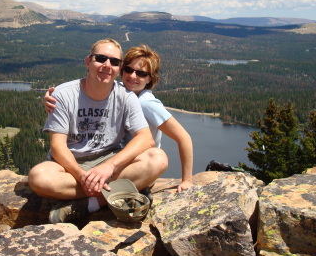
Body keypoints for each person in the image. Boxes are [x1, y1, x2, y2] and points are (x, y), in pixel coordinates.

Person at [29, 38, 168, 224]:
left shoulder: (126, 97)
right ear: (88, 62)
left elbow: (145, 139)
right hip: (69, 166)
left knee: (158, 159)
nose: (107, 65)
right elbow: (57, 146)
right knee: (39, 177)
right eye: (101, 58)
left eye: (115, 62)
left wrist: (109, 167)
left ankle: (91, 203)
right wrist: (81, 176)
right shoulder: (63, 94)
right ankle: (124, 189)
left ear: (119, 69)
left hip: (108, 161)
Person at [45, 44, 194, 192]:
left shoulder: (146, 103)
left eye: (141, 74)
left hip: (133, 161)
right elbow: (90, 88)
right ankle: (107, 192)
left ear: (150, 79)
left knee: (158, 159)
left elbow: (183, 138)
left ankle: (95, 201)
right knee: (41, 176)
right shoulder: (122, 91)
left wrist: (187, 180)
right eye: (128, 70)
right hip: (115, 158)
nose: (133, 76)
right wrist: (53, 97)